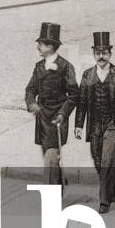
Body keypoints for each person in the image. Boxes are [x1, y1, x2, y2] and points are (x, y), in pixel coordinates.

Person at [75, 31, 115, 214]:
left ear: (110, 54)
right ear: (94, 54)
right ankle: (111, 185)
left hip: (113, 124)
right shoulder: (87, 76)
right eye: (97, 53)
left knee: (106, 160)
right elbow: (82, 103)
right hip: (94, 125)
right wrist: (78, 125)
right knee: (97, 160)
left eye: (104, 52)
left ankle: (104, 201)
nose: (101, 56)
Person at [25, 23, 78, 188]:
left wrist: (63, 114)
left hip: (57, 120)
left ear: (50, 46)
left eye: (40, 44)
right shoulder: (38, 67)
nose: (37, 48)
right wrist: (32, 103)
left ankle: (52, 203)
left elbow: (74, 95)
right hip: (42, 120)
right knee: (50, 161)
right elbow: (30, 89)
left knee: (50, 160)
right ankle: (60, 182)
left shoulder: (66, 67)